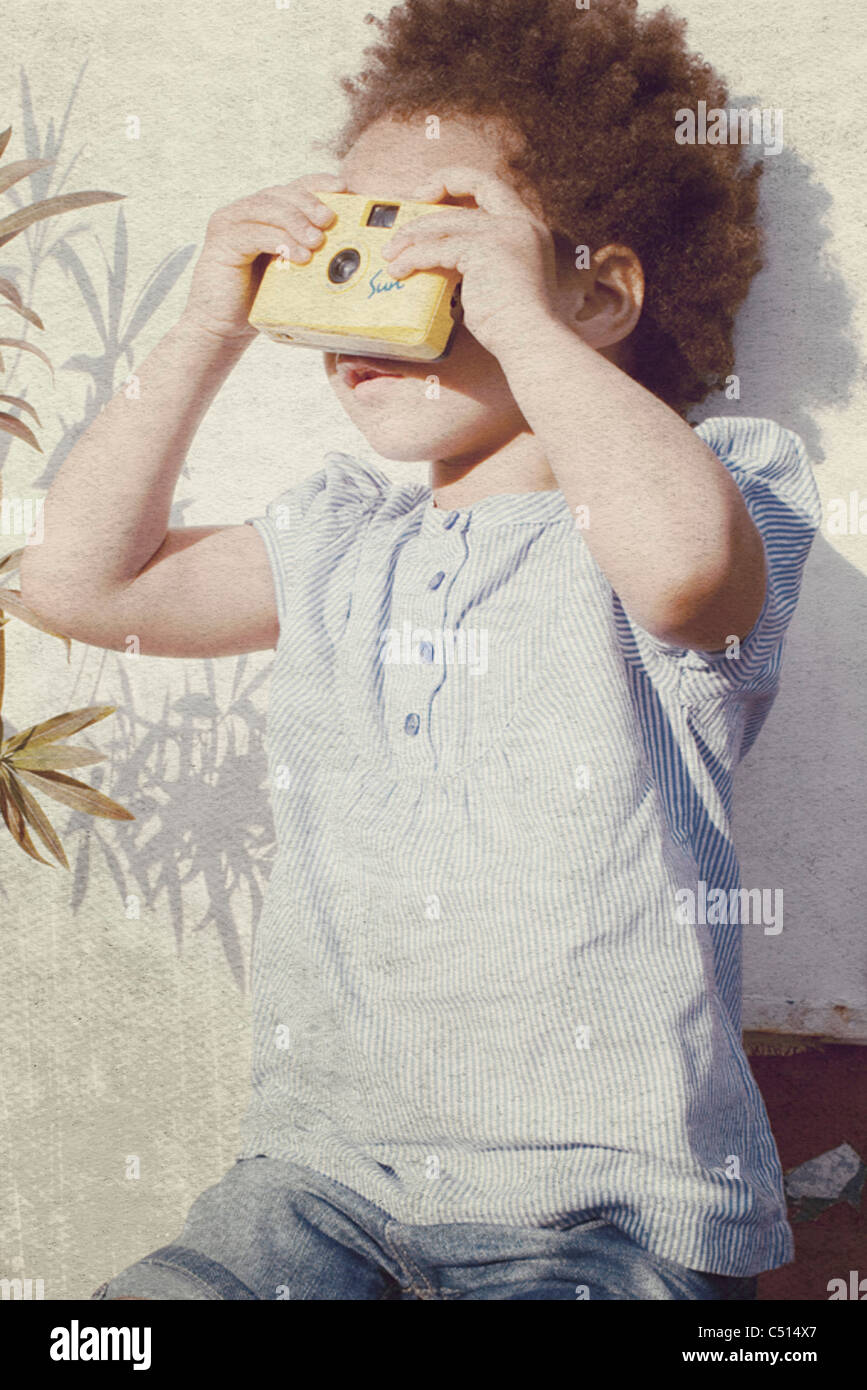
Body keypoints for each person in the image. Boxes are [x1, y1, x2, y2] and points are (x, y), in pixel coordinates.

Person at [22, 0, 821, 1300]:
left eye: (437, 230)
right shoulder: (341, 536)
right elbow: (76, 581)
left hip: (604, 1208)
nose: (372, 273)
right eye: (351, 231)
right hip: (317, 1184)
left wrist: (522, 318)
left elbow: (686, 576)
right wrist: (205, 325)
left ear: (601, 290)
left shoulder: (712, 486)